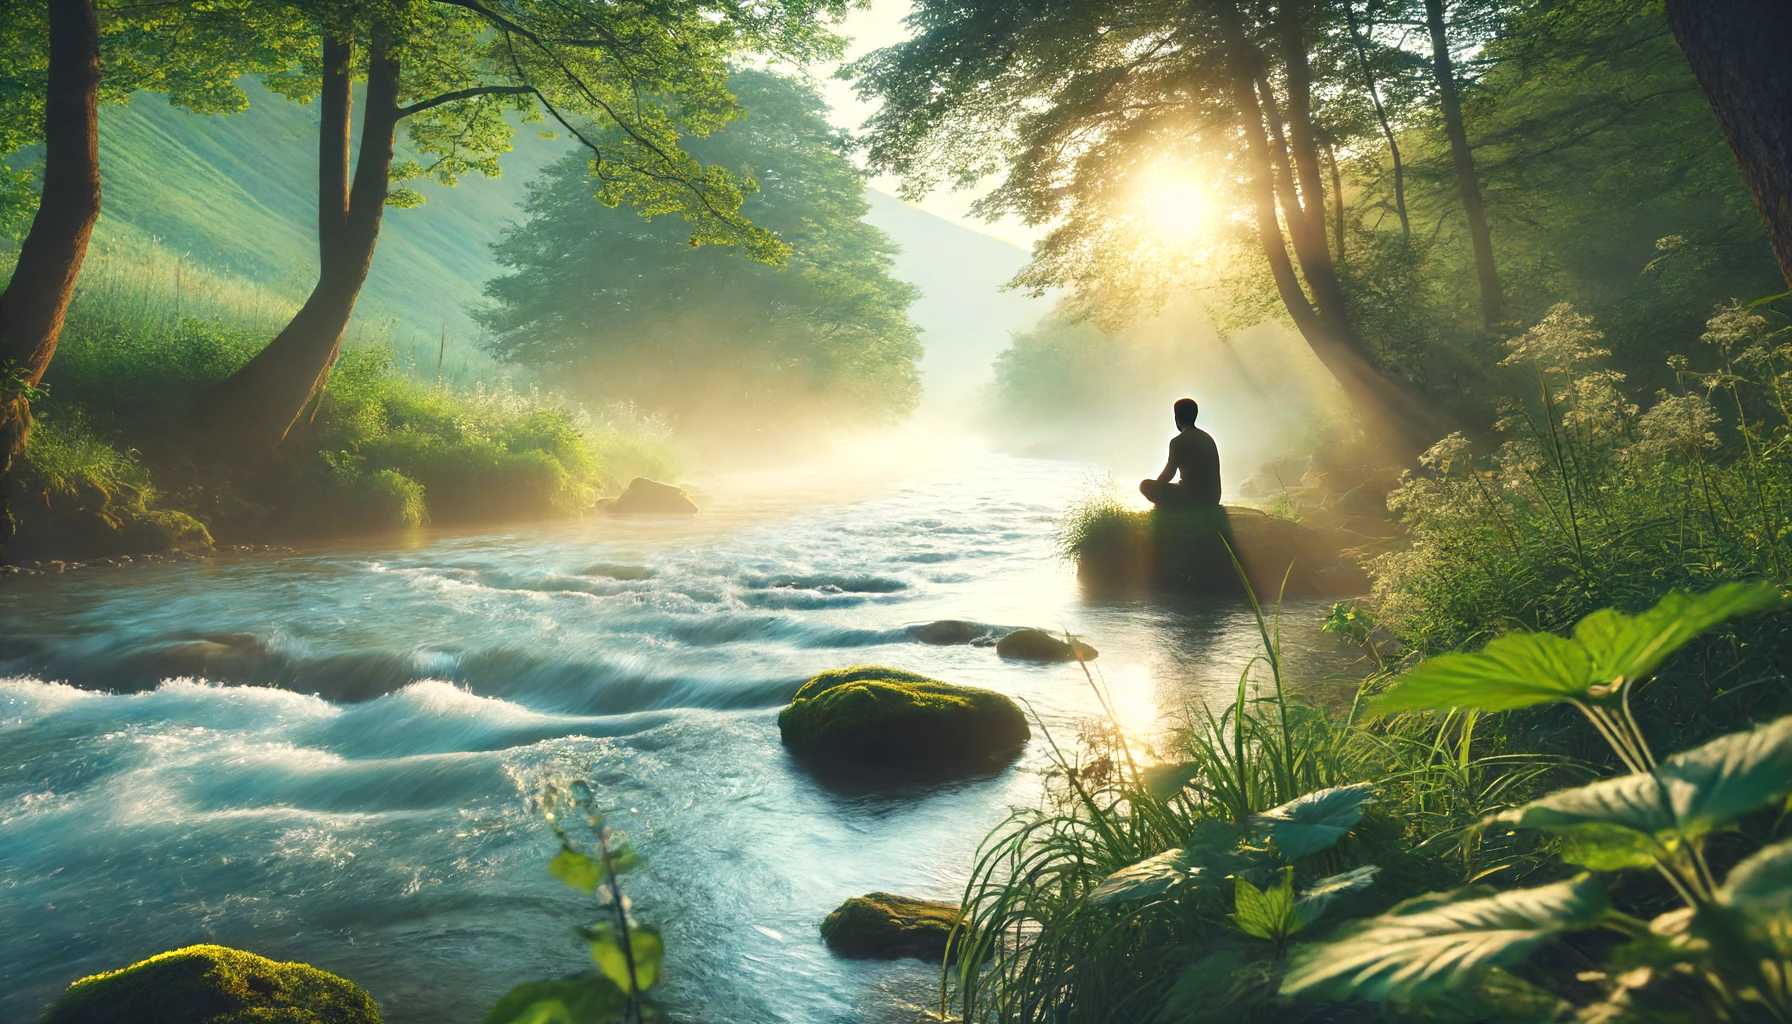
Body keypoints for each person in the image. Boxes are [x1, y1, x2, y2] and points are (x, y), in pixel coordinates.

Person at [1140, 398, 1221, 508]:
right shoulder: (1207, 438)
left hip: (1192, 497)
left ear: (1176, 417)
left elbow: (1169, 474)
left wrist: (1157, 488)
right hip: (1213, 497)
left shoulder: (1178, 441)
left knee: (1145, 485)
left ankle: (1164, 508)